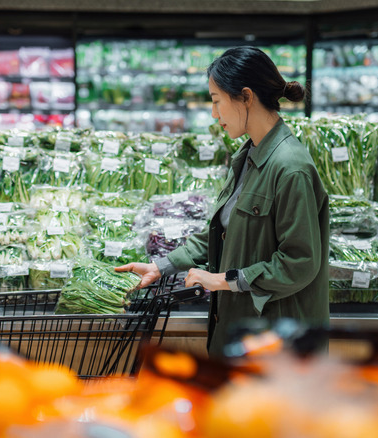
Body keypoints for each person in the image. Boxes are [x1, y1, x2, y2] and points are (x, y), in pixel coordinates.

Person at [116, 46, 330, 357]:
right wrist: (160, 267)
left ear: (246, 96)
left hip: (278, 346)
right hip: (245, 337)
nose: (214, 114)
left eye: (216, 101)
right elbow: (221, 233)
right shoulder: (248, 156)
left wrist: (224, 280)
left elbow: (300, 263)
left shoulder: (290, 167)